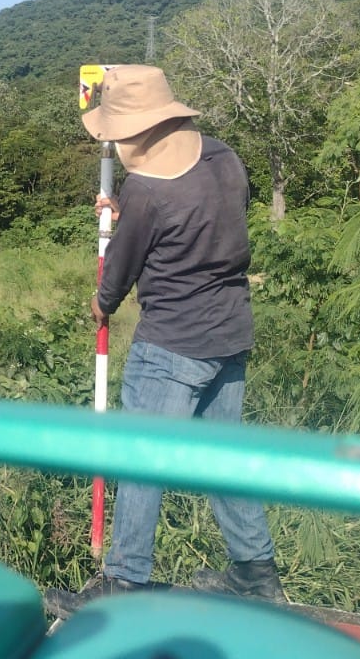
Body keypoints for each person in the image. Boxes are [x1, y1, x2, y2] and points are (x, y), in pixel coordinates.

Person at [46, 64, 284, 617]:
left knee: (142, 458)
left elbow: (120, 271)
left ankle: (124, 579)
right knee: (223, 455)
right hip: (230, 331)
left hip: (173, 342)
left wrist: (101, 303)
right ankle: (255, 573)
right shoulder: (223, 158)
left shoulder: (146, 188)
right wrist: (129, 213)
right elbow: (202, 219)